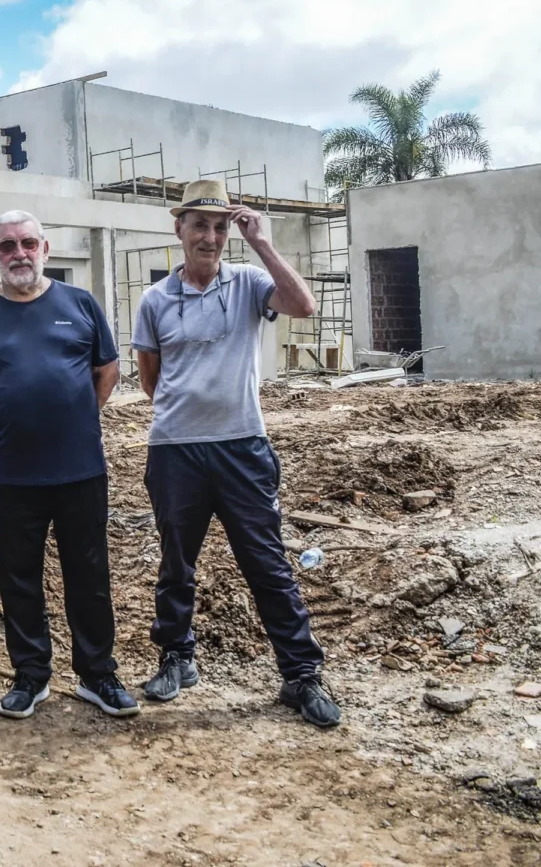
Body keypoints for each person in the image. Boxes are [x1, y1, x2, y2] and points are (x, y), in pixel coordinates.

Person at [132, 179, 340, 728]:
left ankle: (301, 675)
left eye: (220, 226)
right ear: (179, 229)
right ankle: (177, 658)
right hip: (176, 451)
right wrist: (190, 413)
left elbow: (303, 304)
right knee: (177, 564)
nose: (211, 236)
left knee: (266, 564)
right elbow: (151, 378)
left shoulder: (249, 281)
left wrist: (264, 244)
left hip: (242, 448)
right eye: (200, 225)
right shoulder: (155, 300)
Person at [0, 211, 138, 720]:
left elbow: (107, 369)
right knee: (19, 578)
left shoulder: (79, 304)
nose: (19, 253)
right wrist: (3, 420)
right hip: (14, 473)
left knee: (89, 575)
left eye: (28, 243)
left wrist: (76, 416)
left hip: (80, 469)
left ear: (46, 249)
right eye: (8, 246)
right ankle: (31, 675)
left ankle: (98, 675)